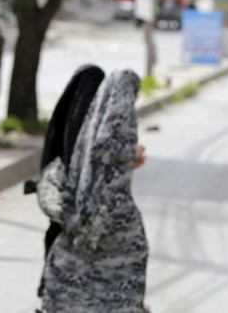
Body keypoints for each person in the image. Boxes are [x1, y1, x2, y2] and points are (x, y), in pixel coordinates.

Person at [39, 69, 149, 312]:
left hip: (72, 231)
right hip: (96, 237)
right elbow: (110, 155)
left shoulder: (90, 130)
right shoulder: (112, 132)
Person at [27, 64, 105, 308]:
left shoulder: (68, 111)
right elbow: (76, 155)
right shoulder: (80, 122)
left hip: (59, 196)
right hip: (69, 197)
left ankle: (51, 292)